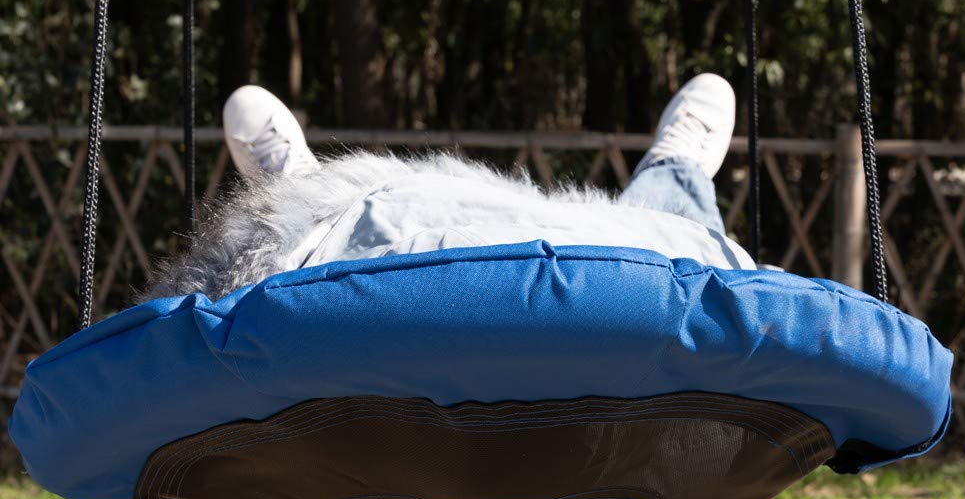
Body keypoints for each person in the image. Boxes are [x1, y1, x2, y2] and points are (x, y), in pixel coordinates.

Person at [143, 73, 755, 302]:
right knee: (673, 241)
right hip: (650, 292)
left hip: (315, 294)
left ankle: (303, 198)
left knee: (327, 237)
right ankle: (675, 178)